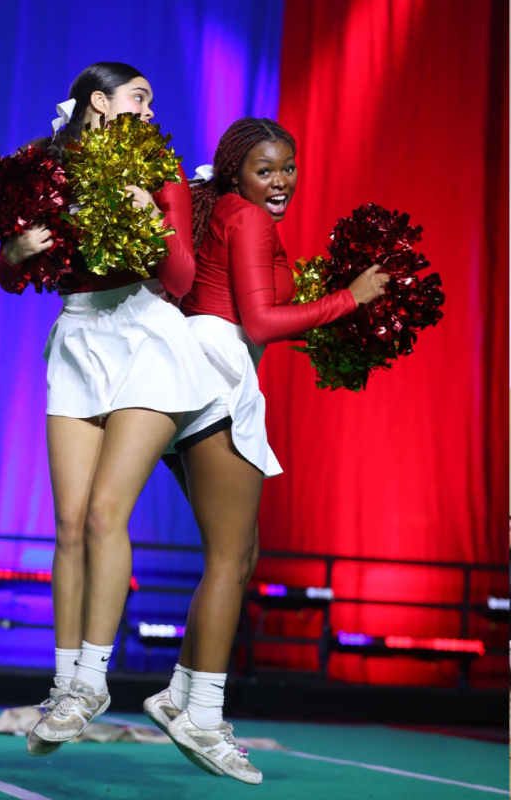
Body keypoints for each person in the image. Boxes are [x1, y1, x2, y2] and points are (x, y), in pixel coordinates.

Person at [142, 118, 388, 784]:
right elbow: (258, 323)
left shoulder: (221, 209)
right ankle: (203, 714)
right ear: (235, 172)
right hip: (216, 377)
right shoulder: (247, 219)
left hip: (194, 373)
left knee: (239, 553)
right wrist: (350, 298)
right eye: (265, 169)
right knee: (230, 557)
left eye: (288, 167)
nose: (280, 182)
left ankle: (178, 695)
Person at [0, 63, 223, 757]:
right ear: (100, 100)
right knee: (66, 523)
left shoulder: (163, 168)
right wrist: (15, 250)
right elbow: (10, 276)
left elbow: (181, 279)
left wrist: (153, 214)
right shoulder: (43, 166)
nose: (151, 109)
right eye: (140, 97)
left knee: (103, 515)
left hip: (150, 335)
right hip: (79, 335)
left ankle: (95, 677)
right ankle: (66, 688)